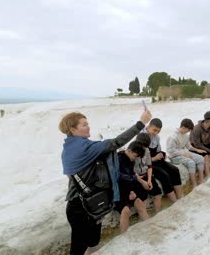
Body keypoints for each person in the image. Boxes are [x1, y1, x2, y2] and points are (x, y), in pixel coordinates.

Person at [60, 109, 151, 255]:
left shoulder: (70, 149)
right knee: (78, 249)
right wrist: (141, 124)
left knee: (94, 243)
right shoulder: (82, 148)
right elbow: (115, 143)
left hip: (94, 204)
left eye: (87, 123)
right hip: (81, 207)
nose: (88, 126)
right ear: (73, 129)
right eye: (84, 125)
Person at [140, 118, 184, 202]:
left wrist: (160, 155)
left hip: (156, 160)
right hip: (147, 164)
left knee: (174, 169)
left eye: (158, 131)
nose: (156, 133)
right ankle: (174, 200)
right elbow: (141, 159)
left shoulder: (156, 137)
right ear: (149, 126)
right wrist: (154, 158)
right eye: (154, 130)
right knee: (164, 175)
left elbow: (158, 150)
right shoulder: (142, 137)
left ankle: (180, 196)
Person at [115, 141, 152, 232]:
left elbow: (131, 175)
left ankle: (150, 228)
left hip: (128, 187)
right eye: (136, 156)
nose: (136, 158)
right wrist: (132, 183)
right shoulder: (117, 159)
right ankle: (124, 236)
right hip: (116, 190)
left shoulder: (130, 160)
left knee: (140, 204)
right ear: (129, 151)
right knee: (125, 211)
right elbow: (117, 177)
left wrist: (132, 190)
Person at [166, 119, 207, 187]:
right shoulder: (172, 137)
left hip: (184, 153)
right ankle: (194, 184)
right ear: (183, 127)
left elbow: (188, 146)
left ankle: (201, 180)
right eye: (188, 130)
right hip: (174, 156)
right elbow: (170, 150)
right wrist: (183, 154)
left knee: (200, 158)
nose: (188, 132)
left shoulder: (185, 135)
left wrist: (197, 150)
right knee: (191, 162)